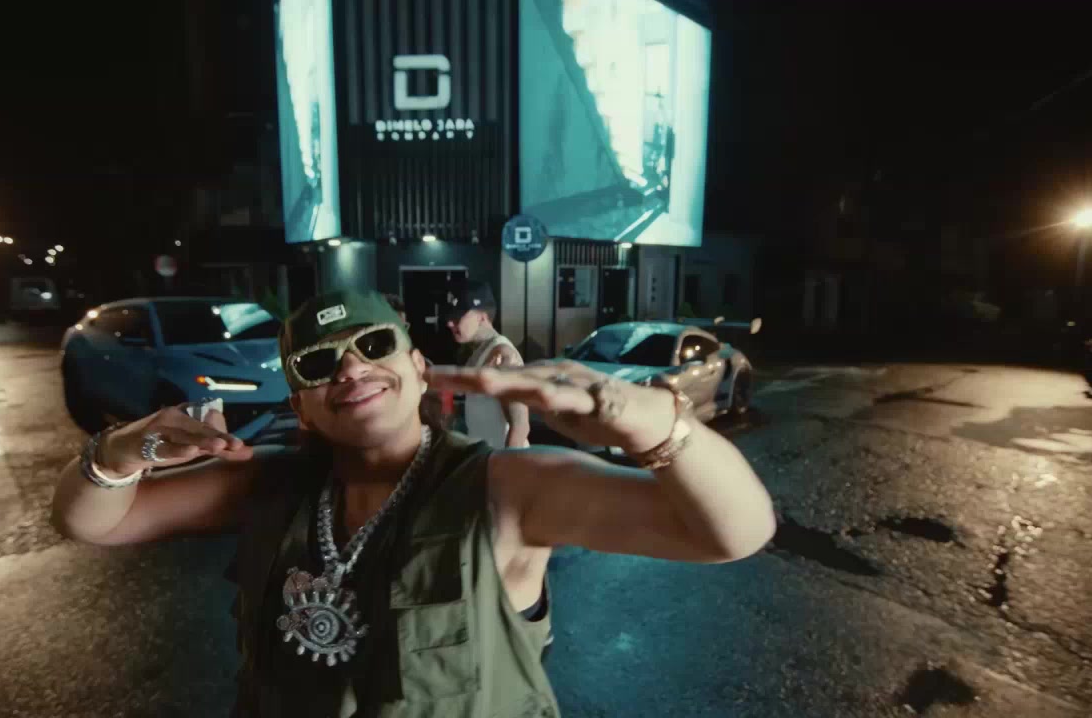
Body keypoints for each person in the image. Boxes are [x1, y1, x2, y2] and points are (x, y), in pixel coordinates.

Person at [51, 289, 775, 718]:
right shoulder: (266, 482)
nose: (351, 367)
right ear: (300, 406)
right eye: (319, 363)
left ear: (419, 368)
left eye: (373, 344)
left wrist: (648, 420)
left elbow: (734, 533)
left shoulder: (506, 490)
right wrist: (120, 452)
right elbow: (90, 521)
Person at [442, 282, 530, 448]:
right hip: (483, 456)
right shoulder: (478, 352)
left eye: (457, 317)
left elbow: (520, 426)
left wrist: (505, 462)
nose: (450, 324)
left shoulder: (503, 354)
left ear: (482, 317)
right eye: (450, 317)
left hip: (503, 458)